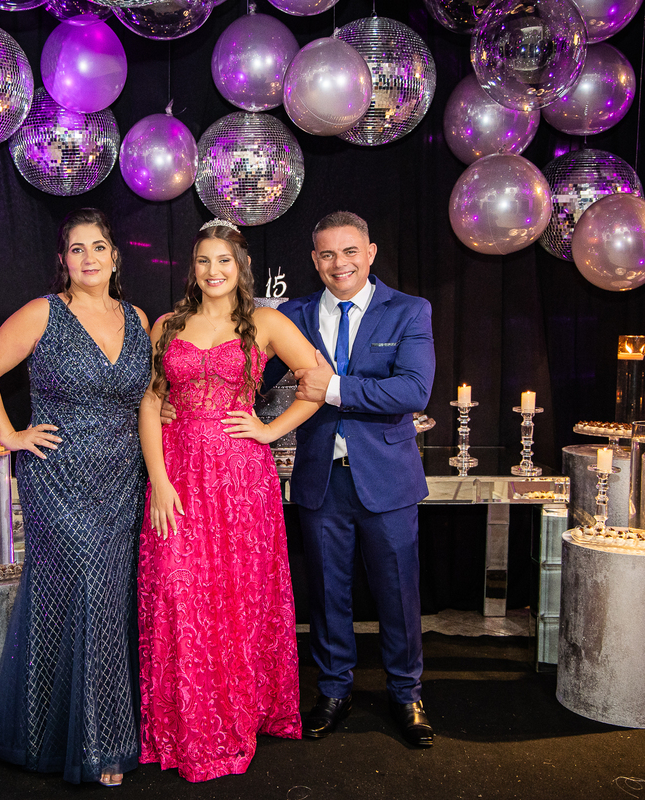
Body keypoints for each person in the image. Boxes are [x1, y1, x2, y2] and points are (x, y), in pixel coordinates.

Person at [0, 208, 151, 787]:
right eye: (77, 249)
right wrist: (9, 435)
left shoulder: (138, 318)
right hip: (58, 479)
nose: (89, 258)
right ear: (63, 260)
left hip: (123, 482)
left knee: (108, 600)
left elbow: (147, 400)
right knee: (89, 590)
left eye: (99, 247)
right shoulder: (43, 313)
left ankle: (54, 730)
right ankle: (103, 746)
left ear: (115, 256)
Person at [137, 220, 323, 782]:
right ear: (192, 268)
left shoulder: (265, 322)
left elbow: (318, 379)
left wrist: (269, 430)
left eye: (223, 260)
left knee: (236, 594)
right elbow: (150, 403)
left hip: (241, 481)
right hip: (177, 475)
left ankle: (238, 714)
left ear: (240, 267)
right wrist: (159, 480)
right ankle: (182, 726)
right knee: (177, 591)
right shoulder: (168, 325)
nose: (212, 270)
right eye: (203, 260)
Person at [265, 211, 436, 747]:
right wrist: (182, 402)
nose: (339, 263)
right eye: (327, 254)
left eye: (350, 251)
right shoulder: (291, 314)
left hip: (388, 480)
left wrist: (333, 387)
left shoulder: (408, 310)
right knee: (326, 594)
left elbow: (413, 391)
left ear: (371, 253)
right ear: (314, 260)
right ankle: (334, 691)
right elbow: (243, 376)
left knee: (398, 595)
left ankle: (406, 694)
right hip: (321, 481)